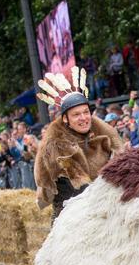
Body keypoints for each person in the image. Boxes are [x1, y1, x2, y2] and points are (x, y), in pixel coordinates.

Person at [34, 92, 124, 220]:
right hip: (69, 210)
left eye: (86, 112)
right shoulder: (55, 142)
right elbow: (79, 183)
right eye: (76, 114)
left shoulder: (99, 126)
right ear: (65, 119)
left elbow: (120, 151)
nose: (83, 118)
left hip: (102, 201)